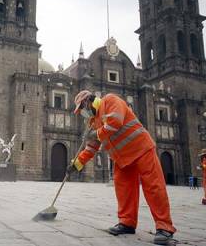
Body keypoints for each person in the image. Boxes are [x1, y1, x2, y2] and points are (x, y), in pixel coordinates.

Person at [67, 90, 176, 245]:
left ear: (87, 102)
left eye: (82, 109)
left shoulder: (110, 100)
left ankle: (164, 228)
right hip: (122, 159)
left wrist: (96, 133)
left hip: (141, 148)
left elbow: (115, 123)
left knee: (154, 187)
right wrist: (77, 164)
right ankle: (127, 223)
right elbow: (91, 148)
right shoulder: (92, 121)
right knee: (123, 190)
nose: (82, 113)